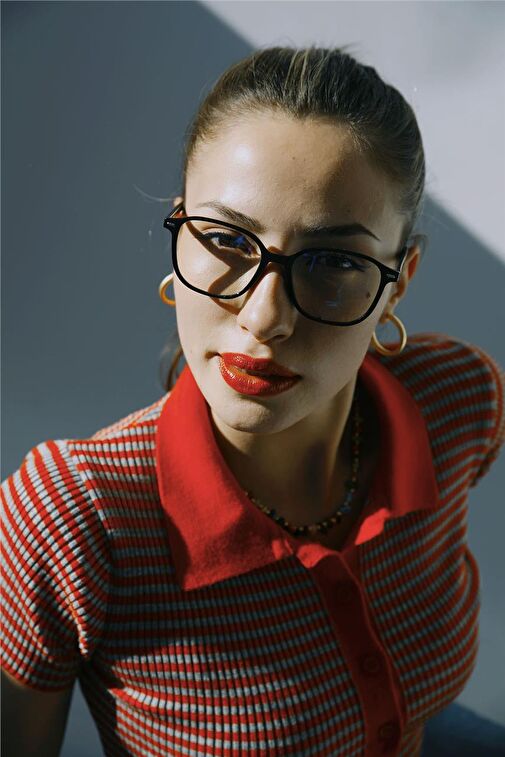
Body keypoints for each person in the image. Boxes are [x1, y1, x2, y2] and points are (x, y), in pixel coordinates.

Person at [1, 45, 504, 757]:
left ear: (397, 283)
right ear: (180, 236)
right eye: (226, 239)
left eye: (334, 261)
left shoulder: (456, 397)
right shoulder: (72, 517)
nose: (265, 318)